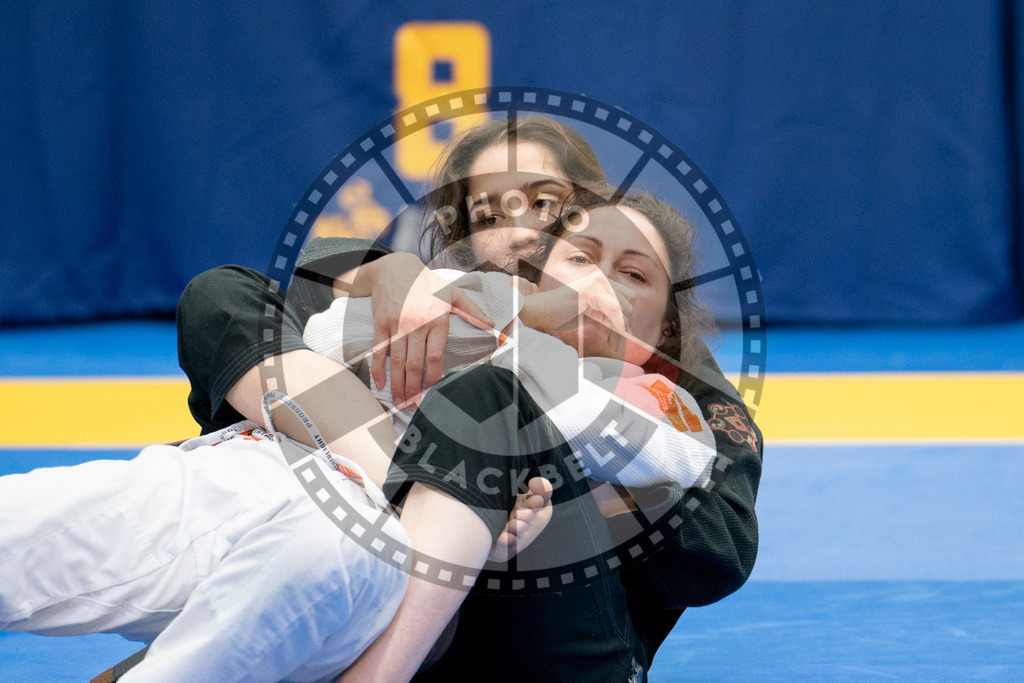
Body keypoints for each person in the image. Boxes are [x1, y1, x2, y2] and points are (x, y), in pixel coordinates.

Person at [174, 116, 761, 680]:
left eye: (547, 202)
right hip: (414, 622)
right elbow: (296, 272)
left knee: (496, 402)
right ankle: (402, 491)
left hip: (558, 641)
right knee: (221, 293)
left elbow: (720, 552)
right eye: (489, 213)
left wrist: (561, 483)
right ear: (464, 240)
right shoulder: (443, 308)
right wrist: (391, 272)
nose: (523, 227)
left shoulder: (657, 353)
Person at [0, 378, 409, 681]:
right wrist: (378, 271)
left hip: (385, 543)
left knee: (334, 543)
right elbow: (219, 300)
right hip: (252, 469)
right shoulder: (401, 302)